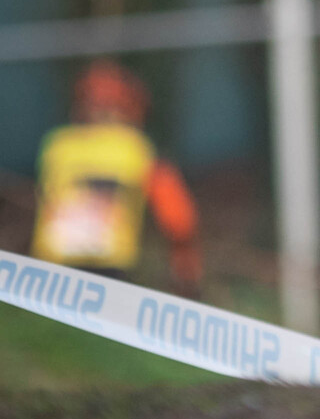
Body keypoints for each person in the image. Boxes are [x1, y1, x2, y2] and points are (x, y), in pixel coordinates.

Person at [33, 60, 203, 288]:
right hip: (111, 264)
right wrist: (184, 256)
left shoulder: (57, 145)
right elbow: (176, 213)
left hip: (52, 265)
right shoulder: (135, 148)